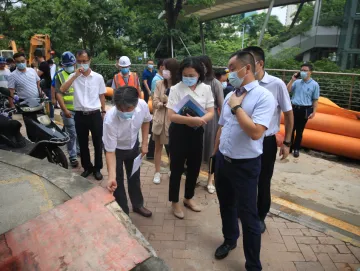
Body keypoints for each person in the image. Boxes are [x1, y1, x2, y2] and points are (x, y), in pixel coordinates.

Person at [213, 51, 275, 271]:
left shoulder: (264, 97)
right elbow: (222, 127)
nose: (228, 73)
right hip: (223, 160)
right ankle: (230, 239)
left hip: (245, 165)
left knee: (248, 216)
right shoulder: (231, 95)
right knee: (226, 204)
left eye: (232, 68)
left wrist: (238, 108)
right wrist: (215, 155)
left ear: (246, 69)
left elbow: (256, 132)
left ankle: (253, 264)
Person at [243, 46, 294, 233]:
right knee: (246, 178)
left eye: (247, 65)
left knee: (263, 180)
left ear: (260, 64)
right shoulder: (242, 85)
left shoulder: (276, 84)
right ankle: (247, 212)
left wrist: (287, 142)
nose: (243, 69)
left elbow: (288, 114)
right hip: (246, 139)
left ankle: (260, 216)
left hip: (266, 140)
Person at [167, 57, 214, 219]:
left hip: (197, 131)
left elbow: (211, 111)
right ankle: (174, 201)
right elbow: (171, 116)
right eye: (185, 74)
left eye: (191, 74)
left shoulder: (206, 89)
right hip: (179, 132)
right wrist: (189, 120)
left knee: (194, 167)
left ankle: (188, 197)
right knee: (176, 168)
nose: (188, 77)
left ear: (199, 74)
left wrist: (201, 120)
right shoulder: (175, 89)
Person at [104, 86, 153, 218]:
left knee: (134, 177)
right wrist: (111, 176)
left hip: (133, 146)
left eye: (128, 109)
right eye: (120, 108)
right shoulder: (110, 119)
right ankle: (123, 213)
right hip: (116, 151)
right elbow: (110, 151)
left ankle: (138, 205)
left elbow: (147, 121)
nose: (124, 111)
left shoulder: (142, 105)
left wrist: (144, 144)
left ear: (136, 103)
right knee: (117, 183)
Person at [60, 49, 106, 180]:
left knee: (98, 142)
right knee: (83, 143)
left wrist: (103, 111)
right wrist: (75, 75)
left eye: (85, 61)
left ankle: (97, 168)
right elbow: (62, 89)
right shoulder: (74, 76)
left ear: (89, 60)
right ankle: (87, 167)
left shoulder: (98, 77)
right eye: (79, 62)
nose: (82, 64)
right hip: (79, 115)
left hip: (95, 114)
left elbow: (101, 95)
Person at [199, 55, 224, 194]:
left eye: (203, 65)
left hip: (211, 120)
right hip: (196, 118)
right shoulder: (196, 81)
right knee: (197, 148)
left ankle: (210, 179)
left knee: (211, 150)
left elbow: (221, 105)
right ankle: (195, 175)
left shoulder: (215, 83)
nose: (201, 67)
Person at [152, 58, 179, 184]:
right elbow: (154, 101)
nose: (163, 70)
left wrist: (168, 102)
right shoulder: (159, 84)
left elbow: (179, 105)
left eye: (166, 68)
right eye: (163, 68)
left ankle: (171, 169)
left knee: (173, 149)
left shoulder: (179, 86)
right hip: (158, 122)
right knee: (158, 148)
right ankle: (157, 172)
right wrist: (162, 103)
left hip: (172, 123)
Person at [287, 63, 319, 158]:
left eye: (305, 70)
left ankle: (296, 148)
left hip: (304, 109)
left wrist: (314, 111)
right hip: (294, 107)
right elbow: (287, 90)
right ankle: (289, 147)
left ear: (310, 72)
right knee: (291, 129)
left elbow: (315, 99)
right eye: (302, 70)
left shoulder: (314, 85)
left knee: (300, 131)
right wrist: (292, 80)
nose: (303, 72)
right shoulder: (297, 82)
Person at [7, 53, 42, 139]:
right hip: (25, 104)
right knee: (30, 125)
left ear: (25, 60)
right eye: (18, 62)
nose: (21, 63)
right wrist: (12, 105)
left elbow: (38, 82)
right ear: (15, 63)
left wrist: (42, 93)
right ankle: (33, 142)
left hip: (37, 101)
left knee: (42, 123)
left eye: (22, 61)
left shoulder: (32, 71)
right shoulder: (13, 75)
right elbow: (10, 91)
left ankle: (43, 140)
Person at [54, 51, 79, 168]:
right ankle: (73, 156)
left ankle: (78, 151)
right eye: (67, 65)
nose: (70, 67)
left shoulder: (79, 74)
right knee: (72, 133)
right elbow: (58, 94)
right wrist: (64, 110)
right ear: (63, 65)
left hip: (79, 109)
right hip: (68, 110)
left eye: (72, 64)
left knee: (79, 132)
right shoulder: (59, 75)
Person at [33, 50, 54, 119]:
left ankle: (51, 118)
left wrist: (35, 66)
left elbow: (36, 75)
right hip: (45, 86)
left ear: (36, 57)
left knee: (48, 103)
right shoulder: (43, 64)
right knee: (46, 103)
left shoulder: (43, 64)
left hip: (46, 87)